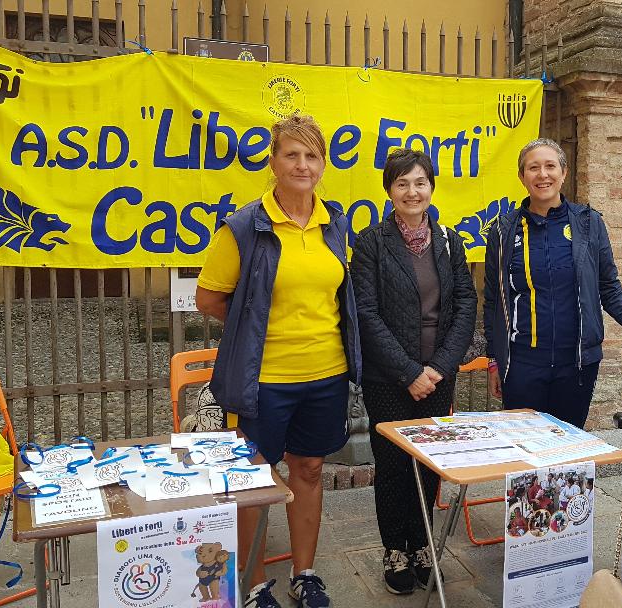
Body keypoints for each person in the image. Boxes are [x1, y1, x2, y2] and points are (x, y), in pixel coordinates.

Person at [196, 114, 359, 608]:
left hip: (327, 374)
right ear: (273, 162)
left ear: (323, 164)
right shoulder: (244, 227)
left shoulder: (335, 223)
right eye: (292, 154)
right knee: (255, 480)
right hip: (263, 380)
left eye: (312, 155)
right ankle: (252, 583)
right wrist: (254, 327)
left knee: (308, 470)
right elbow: (209, 298)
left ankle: (304, 573)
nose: (302, 165)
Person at [351, 148, 477, 595]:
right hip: (389, 379)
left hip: (438, 378)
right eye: (402, 183)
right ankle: (395, 550)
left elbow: (466, 304)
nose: (412, 191)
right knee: (392, 467)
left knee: (428, 464)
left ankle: (422, 545)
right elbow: (366, 313)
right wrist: (408, 372)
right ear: (389, 190)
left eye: (420, 182)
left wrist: (439, 367)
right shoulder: (370, 243)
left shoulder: (450, 241)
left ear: (432, 187)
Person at [483, 138, 622, 429]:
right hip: (522, 364)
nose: (542, 174)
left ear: (564, 172)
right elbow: (494, 300)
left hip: (576, 365)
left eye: (550, 166)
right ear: (522, 176)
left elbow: (610, 290)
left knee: (568, 446)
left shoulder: (589, 223)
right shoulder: (503, 230)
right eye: (533, 168)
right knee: (525, 446)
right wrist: (494, 359)